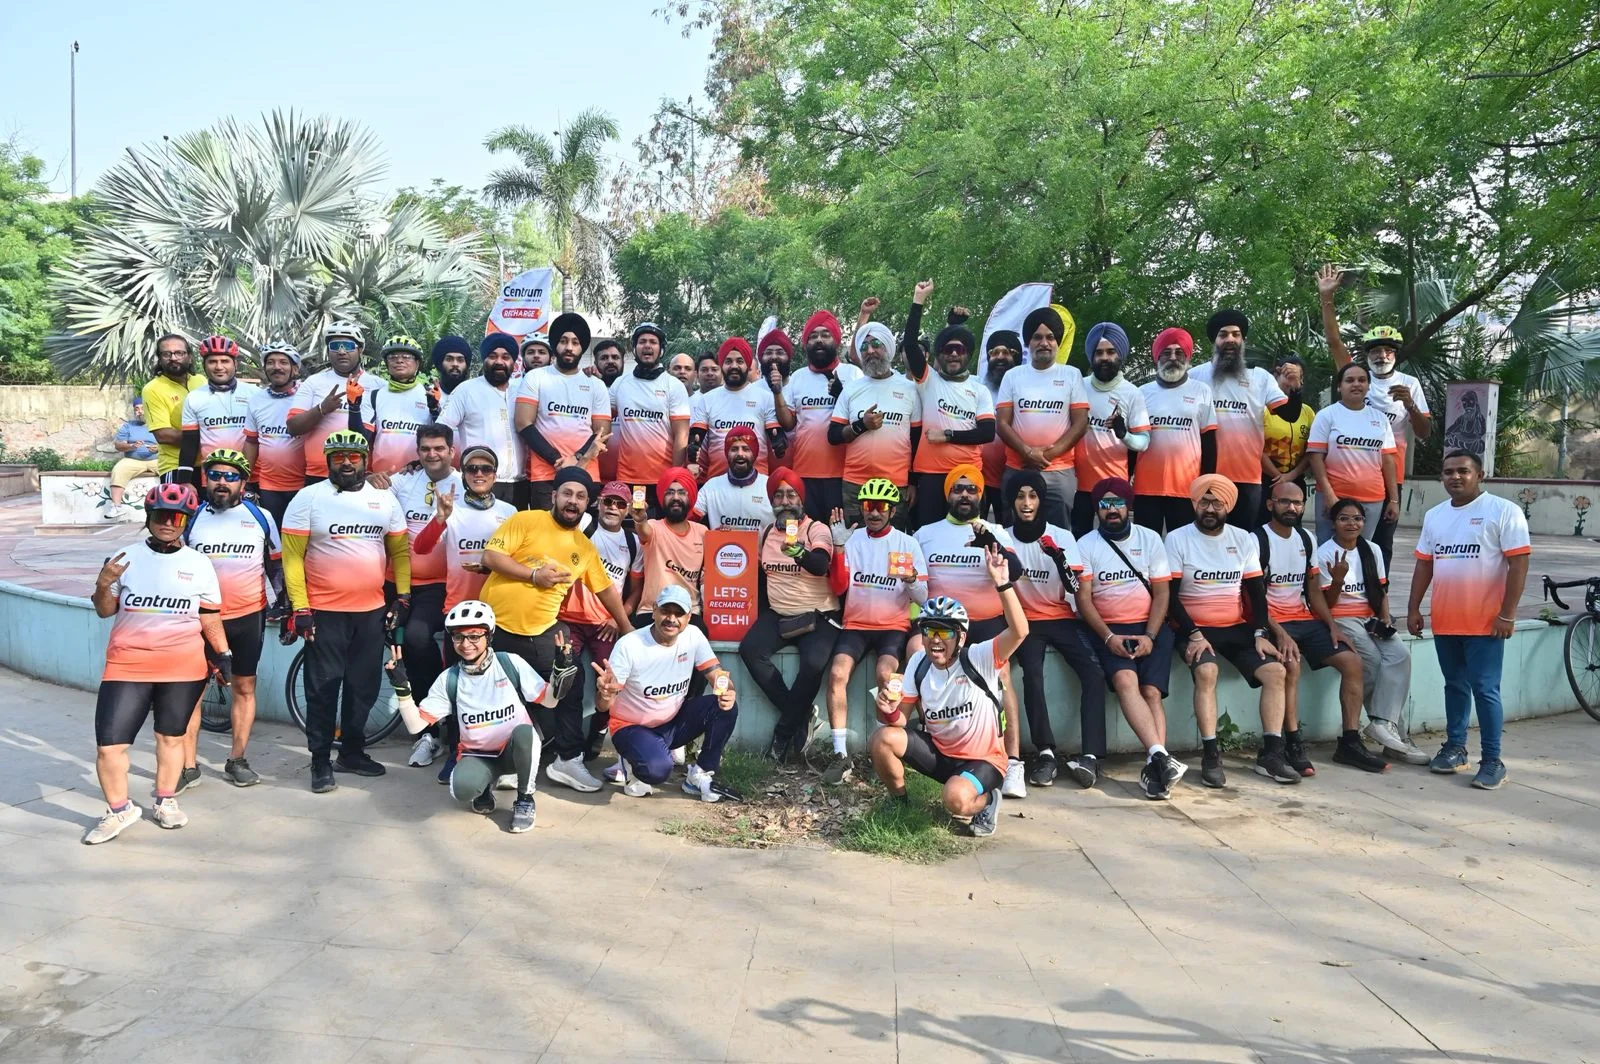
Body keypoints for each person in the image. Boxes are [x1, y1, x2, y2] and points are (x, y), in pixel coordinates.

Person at [85, 483, 228, 843]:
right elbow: (105, 611)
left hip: (183, 665)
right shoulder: (124, 557)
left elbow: (209, 616)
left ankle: (165, 800)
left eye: (176, 517)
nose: (167, 523)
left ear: (186, 521)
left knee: (171, 737)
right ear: (148, 518)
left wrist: (223, 654)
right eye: (161, 515)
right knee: (109, 745)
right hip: (126, 664)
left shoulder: (199, 564)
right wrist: (103, 584)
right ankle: (119, 810)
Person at [479, 467, 633, 792]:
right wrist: (534, 576)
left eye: (580, 496)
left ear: (587, 504)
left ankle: (568, 760)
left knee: (570, 679)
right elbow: (491, 556)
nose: (572, 501)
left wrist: (627, 627)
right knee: (499, 695)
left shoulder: (584, 548)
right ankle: (509, 763)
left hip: (542, 631)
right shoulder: (526, 520)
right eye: (567, 494)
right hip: (496, 630)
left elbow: (606, 590)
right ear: (554, 496)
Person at [281, 430, 411, 793]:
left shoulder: (384, 499)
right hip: (324, 612)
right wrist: (300, 607)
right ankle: (320, 761)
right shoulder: (308, 498)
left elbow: (400, 552)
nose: (347, 463)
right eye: (338, 457)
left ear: (366, 460)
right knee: (323, 689)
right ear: (328, 462)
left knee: (363, 687)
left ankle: (352, 753)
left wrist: (402, 597)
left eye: (354, 457)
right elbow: (292, 558)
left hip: (371, 611)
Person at [869, 548, 1027, 838]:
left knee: (955, 801)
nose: (935, 640)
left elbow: (1019, 632)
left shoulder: (979, 658)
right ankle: (899, 804)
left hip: (984, 760)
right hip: (941, 754)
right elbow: (899, 720)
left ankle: (988, 800)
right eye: (929, 631)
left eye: (945, 632)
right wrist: (888, 709)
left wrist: (1002, 584)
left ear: (961, 637)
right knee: (882, 738)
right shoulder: (919, 663)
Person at [1407, 450, 1531, 790]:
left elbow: (1519, 564)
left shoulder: (1503, 511)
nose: (1455, 477)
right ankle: (1455, 749)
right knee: (1454, 685)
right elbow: (1425, 564)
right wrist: (1414, 608)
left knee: (1485, 690)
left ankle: (1492, 761)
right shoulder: (1435, 516)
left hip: (1486, 623)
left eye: (1463, 471)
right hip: (1446, 620)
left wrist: (1507, 614)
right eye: (1448, 472)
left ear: (1480, 474)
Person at [1165, 474, 1293, 787]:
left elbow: (1256, 591)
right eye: (1204, 502)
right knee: (1207, 672)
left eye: (1217, 503)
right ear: (1195, 504)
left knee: (1276, 672)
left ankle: (1272, 755)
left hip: (1235, 627)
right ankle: (1211, 755)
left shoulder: (1243, 539)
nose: (1210, 509)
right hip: (1192, 628)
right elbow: (1169, 596)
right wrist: (1193, 633)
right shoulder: (1177, 539)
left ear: (1228, 507)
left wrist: (1260, 633)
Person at [389, 600, 560, 833]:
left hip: (513, 751)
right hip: (478, 756)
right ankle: (483, 788)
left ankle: (525, 799)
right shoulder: (449, 678)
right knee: (462, 789)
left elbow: (550, 701)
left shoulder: (509, 663)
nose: (466, 644)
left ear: (489, 636)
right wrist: (402, 690)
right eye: (458, 637)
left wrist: (559, 675)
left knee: (526, 733)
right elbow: (415, 726)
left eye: (474, 636)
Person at [914, 464, 1028, 796]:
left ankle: (1013, 762)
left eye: (972, 489)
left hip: (986, 622)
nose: (964, 495)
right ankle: (934, 743)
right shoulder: (925, 534)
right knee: (916, 657)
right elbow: (917, 583)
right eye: (957, 489)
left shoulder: (996, 531)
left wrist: (989, 541)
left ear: (981, 495)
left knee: (1003, 678)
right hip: (942, 627)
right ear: (947, 495)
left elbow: (1015, 571)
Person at [1259, 483, 1385, 775]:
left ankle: (1350, 742)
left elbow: (1314, 590)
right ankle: (1292, 741)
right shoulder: (1257, 540)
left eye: (1297, 503)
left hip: (1304, 618)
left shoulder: (1307, 538)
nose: (1292, 508)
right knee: (1291, 664)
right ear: (1270, 504)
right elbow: (1252, 597)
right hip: (1273, 621)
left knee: (1353, 662)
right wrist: (1280, 633)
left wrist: (1331, 626)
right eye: (1284, 502)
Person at [1072, 478, 1186, 800]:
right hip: (1108, 628)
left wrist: (1150, 635)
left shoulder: (1150, 539)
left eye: (1117, 503)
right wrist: (1108, 637)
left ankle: (1155, 766)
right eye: (1104, 504)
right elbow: (1084, 600)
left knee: (1151, 692)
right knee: (1125, 681)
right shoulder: (1086, 545)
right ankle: (1161, 759)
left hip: (1150, 627)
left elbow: (1162, 594)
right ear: (1097, 509)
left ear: (1129, 506)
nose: (1111, 510)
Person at [407, 444, 517, 777]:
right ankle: (456, 752)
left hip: (499, 611)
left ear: (495, 475)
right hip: (458, 611)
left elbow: (518, 559)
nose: (479, 474)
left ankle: (501, 756)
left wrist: (490, 568)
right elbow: (421, 547)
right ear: (464, 474)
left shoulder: (510, 512)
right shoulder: (450, 508)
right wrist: (440, 518)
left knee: (499, 688)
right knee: (461, 690)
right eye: (472, 469)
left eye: (486, 469)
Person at [179, 448, 285, 789]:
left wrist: (284, 606)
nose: (222, 482)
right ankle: (187, 765)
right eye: (215, 475)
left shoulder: (261, 517)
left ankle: (237, 760)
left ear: (244, 482)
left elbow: (275, 566)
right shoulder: (192, 517)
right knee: (191, 692)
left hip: (247, 616)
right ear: (205, 479)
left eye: (230, 476)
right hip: (199, 619)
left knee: (244, 687)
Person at [1318, 265, 1433, 568]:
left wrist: (1410, 405)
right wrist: (1327, 298)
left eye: (1388, 351)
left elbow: (1424, 433)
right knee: (1335, 542)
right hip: (1346, 477)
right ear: (1366, 355)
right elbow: (1334, 342)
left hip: (1389, 478)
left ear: (1396, 354)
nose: (1382, 355)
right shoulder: (1357, 377)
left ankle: (1377, 594)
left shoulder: (1410, 384)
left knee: (1381, 546)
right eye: (1375, 351)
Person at [1004, 470, 1109, 790]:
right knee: (1032, 675)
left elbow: (1075, 587)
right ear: (1011, 502)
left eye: (1033, 496)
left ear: (1041, 501)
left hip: (1062, 616)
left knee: (1094, 674)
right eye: (1020, 497)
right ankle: (1045, 753)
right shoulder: (1004, 536)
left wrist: (1059, 558)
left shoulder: (1061, 536)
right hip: (1025, 621)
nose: (1026, 503)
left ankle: (1090, 756)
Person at [821, 479, 927, 784]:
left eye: (881, 507)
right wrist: (838, 548)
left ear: (892, 511)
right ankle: (840, 753)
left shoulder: (907, 544)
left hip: (893, 626)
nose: (874, 512)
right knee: (837, 674)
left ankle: (886, 748)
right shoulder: (852, 539)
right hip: (856, 624)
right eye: (869, 506)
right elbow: (838, 588)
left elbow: (923, 598)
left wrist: (911, 579)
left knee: (885, 675)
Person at [595, 586, 743, 802]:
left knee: (724, 707)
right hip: (630, 727)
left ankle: (699, 774)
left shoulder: (693, 635)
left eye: (679, 613)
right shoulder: (629, 645)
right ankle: (631, 762)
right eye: (666, 611)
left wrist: (728, 691)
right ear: (654, 611)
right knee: (657, 771)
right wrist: (605, 695)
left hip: (672, 723)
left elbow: (716, 674)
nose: (671, 619)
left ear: (688, 617)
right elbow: (602, 706)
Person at [739, 469, 841, 762]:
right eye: (779, 496)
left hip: (818, 615)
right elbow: (760, 576)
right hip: (780, 614)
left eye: (791, 495)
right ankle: (800, 713)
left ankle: (783, 732)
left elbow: (820, 565)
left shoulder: (816, 529)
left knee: (813, 665)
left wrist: (798, 552)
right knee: (750, 650)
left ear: (801, 499)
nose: (785, 502)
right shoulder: (767, 533)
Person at [1316, 497, 1427, 766]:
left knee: (1400, 656)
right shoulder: (1325, 553)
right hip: (1342, 618)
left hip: (1370, 617)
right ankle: (1396, 736)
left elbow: (1381, 589)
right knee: (1373, 663)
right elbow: (1325, 604)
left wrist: (1385, 618)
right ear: (1333, 523)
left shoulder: (1372, 549)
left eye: (1357, 519)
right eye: (1344, 518)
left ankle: (1382, 725)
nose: (1351, 524)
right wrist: (1338, 580)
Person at [377, 424, 460, 765]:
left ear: (451, 451)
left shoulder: (463, 483)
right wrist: (373, 479)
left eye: (439, 448)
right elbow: (373, 488)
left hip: (437, 585)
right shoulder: (404, 480)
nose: (431, 454)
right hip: (394, 581)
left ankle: (434, 720)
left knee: (416, 637)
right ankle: (427, 730)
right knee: (390, 642)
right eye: (425, 448)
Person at [559, 481, 644, 761]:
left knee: (609, 682)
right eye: (608, 501)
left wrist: (619, 618)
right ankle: (565, 744)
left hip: (605, 625)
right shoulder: (585, 525)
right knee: (569, 679)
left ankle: (597, 731)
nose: (613, 508)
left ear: (627, 509)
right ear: (598, 503)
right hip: (569, 618)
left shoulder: (633, 542)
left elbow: (635, 590)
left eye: (620, 504)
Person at [903, 281, 998, 526]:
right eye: (947, 349)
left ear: (968, 355)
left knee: (970, 537)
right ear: (939, 355)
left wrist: (947, 435)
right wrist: (918, 300)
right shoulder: (928, 380)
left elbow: (987, 433)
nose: (954, 353)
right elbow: (911, 345)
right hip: (931, 475)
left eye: (960, 349)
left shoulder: (979, 390)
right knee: (928, 535)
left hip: (968, 475)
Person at [1188, 310, 1288, 528]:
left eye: (1236, 334)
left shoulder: (1260, 377)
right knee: (1206, 537)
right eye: (1223, 334)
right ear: (1214, 340)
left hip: (1248, 477)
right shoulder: (1194, 376)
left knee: (1242, 539)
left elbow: (1288, 414)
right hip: (1205, 474)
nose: (1230, 339)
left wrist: (1295, 390)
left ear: (1243, 340)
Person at [995, 306, 1091, 527]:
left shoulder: (1071, 375)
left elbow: (1080, 424)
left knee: (1059, 535)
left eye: (1050, 337)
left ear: (1058, 342)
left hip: (1059, 471)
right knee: (1015, 533)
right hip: (1018, 468)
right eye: (1037, 337)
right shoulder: (1012, 376)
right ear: (1028, 342)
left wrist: (1045, 456)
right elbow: (1002, 424)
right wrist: (1027, 453)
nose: (1044, 343)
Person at [772, 311, 862, 520]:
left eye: (825, 335)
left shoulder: (853, 374)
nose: (819, 340)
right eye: (813, 336)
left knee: (839, 534)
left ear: (836, 340)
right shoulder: (798, 377)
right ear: (806, 344)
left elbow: (861, 420)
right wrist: (777, 392)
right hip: (804, 473)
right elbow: (788, 424)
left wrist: (841, 395)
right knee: (806, 533)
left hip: (843, 475)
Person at [516, 313, 610, 510]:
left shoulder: (596, 385)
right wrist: (557, 460)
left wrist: (577, 458)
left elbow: (602, 432)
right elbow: (523, 424)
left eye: (575, 342)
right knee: (544, 528)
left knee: (584, 529)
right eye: (563, 341)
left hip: (586, 472)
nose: (569, 347)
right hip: (545, 475)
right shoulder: (536, 377)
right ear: (554, 345)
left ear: (582, 347)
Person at [830, 323, 920, 527]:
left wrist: (913, 482)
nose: (870, 351)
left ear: (888, 348)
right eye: (864, 347)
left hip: (896, 484)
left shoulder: (910, 389)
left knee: (893, 542)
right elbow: (833, 435)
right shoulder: (851, 389)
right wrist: (861, 425)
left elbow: (917, 440)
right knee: (855, 541)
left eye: (876, 344)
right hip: (855, 483)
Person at [1136, 328, 1219, 535]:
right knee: (1146, 546)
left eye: (1179, 352)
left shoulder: (1201, 391)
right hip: (1146, 488)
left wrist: (1207, 483)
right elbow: (1133, 442)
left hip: (1187, 488)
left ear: (1187, 357)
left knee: (1184, 546)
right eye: (1166, 352)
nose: (1173, 357)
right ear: (1157, 357)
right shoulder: (1141, 393)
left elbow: (1209, 441)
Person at [1071, 322, 1150, 537]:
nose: (1104, 357)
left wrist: (1124, 434)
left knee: (1114, 539)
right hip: (1078, 484)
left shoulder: (1132, 393)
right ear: (1091, 357)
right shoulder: (1078, 386)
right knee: (1079, 539)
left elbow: (1143, 443)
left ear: (1120, 355)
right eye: (1099, 353)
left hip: (1114, 486)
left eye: (1110, 352)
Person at [1306, 361, 1399, 544]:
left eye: (1362, 380)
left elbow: (1388, 461)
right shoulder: (1326, 415)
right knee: (1327, 549)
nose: (1356, 384)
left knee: (1363, 551)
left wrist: (1394, 500)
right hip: (1334, 497)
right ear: (1339, 386)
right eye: (1350, 380)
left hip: (1372, 498)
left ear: (1368, 386)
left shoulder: (1380, 419)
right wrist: (1329, 495)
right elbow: (1315, 457)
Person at [286, 321, 382, 484]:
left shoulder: (378, 385)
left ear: (360, 350)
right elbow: (293, 428)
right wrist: (322, 409)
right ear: (328, 351)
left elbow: (373, 437)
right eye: (335, 346)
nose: (341, 351)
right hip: (317, 474)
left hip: (358, 473)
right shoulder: (314, 382)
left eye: (348, 346)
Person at [610, 322, 690, 511]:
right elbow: (601, 422)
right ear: (635, 348)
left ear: (661, 350)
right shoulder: (620, 384)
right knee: (634, 526)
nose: (647, 345)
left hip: (663, 479)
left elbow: (682, 435)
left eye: (653, 342)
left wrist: (674, 476)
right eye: (642, 341)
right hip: (628, 478)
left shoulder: (673, 385)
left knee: (660, 527)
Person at [439, 333, 524, 507]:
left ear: (514, 363)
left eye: (505, 357)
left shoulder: (522, 390)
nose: (499, 362)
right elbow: (442, 430)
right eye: (492, 356)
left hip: (520, 485)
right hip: (479, 481)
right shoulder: (466, 390)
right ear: (484, 360)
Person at [689, 338, 779, 480]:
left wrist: (779, 444)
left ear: (748, 365)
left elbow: (777, 439)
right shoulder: (706, 400)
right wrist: (692, 456)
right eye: (728, 361)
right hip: (717, 482)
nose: (734, 366)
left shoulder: (765, 397)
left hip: (757, 482)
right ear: (721, 365)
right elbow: (695, 441)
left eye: (740, 361)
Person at [633, 467, 709, 628]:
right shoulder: (653, 527)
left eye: (682, 493)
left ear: (690, 497)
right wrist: (639, 519)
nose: (675, 497)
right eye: (669, 492)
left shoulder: (702, 532)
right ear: (662, 498)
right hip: (651, 611)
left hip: (688, 612)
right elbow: (644, 530)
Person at [244, 340, 308, 529]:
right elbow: (251, 442)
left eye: (283, 362)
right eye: (270, 362)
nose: (276, 367)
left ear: (295, 369)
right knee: (272, 535)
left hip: (305, 483)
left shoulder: (307, 394)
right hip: (269, 485)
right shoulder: (256, 399)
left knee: (302, 536)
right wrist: (243, 479)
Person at [178, 335, 258, 483]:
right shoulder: (194, 397)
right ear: (204, 365)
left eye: (225, 361)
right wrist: (184, 481)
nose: (219, 367)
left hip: (253, 477)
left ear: (235, 364)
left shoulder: (255, 394)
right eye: (212, 361)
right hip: (214, 478)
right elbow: (189, 442)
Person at [368, 336, 440, 475]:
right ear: (386, 363)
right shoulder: (375, 395)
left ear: (417, 363)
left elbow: (442, 436)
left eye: (406, 357)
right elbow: (365, 437)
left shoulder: (430, 395)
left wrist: (435, 409)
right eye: (393, 357)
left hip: (419, 475)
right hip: (381, 477)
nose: (399, 361)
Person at [139, 333, 204, 484]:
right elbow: (163, 436)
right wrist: (212, 435)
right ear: (160, 359)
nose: (173, 358)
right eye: (167, 354)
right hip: (175, 466)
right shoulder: (153, 389)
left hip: (207, 463)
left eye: (179, 353)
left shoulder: (201, 381)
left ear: (190, 357)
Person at [1262, 354, 1315, 525]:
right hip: (1265, 480)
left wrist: (1292, 475)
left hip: (1296, 480)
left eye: (1298, 376)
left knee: (1293, 530)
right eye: (1288, 375)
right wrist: (1278, 476)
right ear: (1276, 376)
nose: (1293, 380)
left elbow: (1311, 451)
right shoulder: (1262, 409)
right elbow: (1256, 448)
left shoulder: (1308, 412)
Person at [692, 426, 774, 534]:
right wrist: (689, 481)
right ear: (727, 453)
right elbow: (687, 520)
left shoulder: (770, 485)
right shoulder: (711, 487)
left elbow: (789, 520)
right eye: (734, 449)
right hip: (721, 545)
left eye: (746, 449)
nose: (740, 454)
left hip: (765, 545)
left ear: (754, 454)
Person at [978, 331, 1019, 522]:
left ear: (1016, 357)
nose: (1000, 357)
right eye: (994, 353)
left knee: (1009, 533)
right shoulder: (976, 386)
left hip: (1011, 477)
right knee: (973, 532)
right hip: (978, 477)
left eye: (1007, 352)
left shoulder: (1023, 390)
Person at [104, 396, 159, 519]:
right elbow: (118, 445)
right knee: (119, 470)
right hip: (133, 460)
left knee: (172, 470)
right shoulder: (128, 426)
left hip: (157, 459)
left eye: (142, 408)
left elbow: (169, 443)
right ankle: (116, 507)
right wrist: (131, 446)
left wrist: (158, 448)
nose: (139, 412)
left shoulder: (158, 424)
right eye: (136, 409)